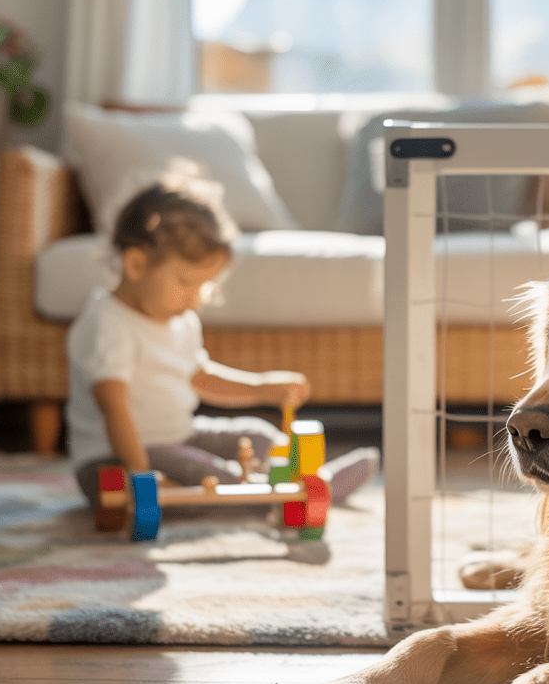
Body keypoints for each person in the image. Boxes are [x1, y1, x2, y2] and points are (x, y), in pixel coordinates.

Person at [66, 173, 378, 510]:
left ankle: (299, 477)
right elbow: (115, 408)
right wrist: (141, 476)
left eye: (204, 285)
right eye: (187, 282)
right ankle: (289, 496)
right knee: (208, 471)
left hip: (179, 435)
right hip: (114, 458)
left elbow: (199, 377)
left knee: (257, 435)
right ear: (137, 264)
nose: (196, 298)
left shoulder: (180, 320)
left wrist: (260, 387)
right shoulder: (108, 324)